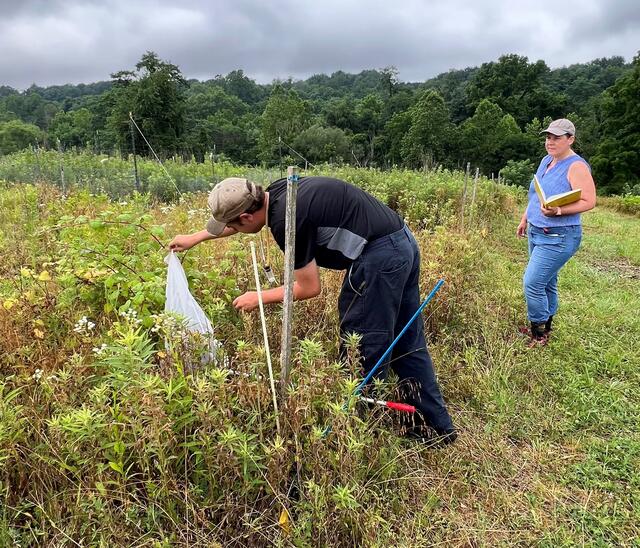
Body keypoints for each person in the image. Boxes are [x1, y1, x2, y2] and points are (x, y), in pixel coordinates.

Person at [169, 176, 456, 443]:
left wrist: (259, 296)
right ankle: (435, 426)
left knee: (364, 345)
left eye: (236, 226)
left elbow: (308, 288)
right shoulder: (279, 190)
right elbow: (241, 222)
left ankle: (361, 435)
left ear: (246, 216)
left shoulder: (286, 221)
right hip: (400, 243)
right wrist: (196, 238)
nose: (237, 232)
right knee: (407, 342)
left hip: (379, 259)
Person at [516, 119, 596, 345]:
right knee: (547, 281)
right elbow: (536, 194)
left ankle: (538, 331)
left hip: (560, 235)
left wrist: (560, 210)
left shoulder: (576, 166)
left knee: (532, 283)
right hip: (537, 231)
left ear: (570, 139)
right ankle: (546, 325)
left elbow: (590, 201)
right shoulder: (546, 161)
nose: (550, 142)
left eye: (557, 138)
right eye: (548, 137)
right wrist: (525, 218)